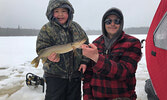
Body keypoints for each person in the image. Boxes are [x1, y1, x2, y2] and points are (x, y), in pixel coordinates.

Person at [82, 7, 142, 100]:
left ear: (121, 23)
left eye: (116, 21)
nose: (112, 24)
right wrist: (87, 97)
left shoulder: (132, 43)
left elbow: (124, 72)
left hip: (121, 97)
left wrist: (97, 58)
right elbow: (88, 76)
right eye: (108, 21)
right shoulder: (96, 43)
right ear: (104, 24)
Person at [36, 0, 89, 100]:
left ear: (69, 12)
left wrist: (84, 62)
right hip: (54, 77)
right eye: (56, 11)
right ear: (51, 12)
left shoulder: (76, 27)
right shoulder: (46, 29)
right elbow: (41, 48)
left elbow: (86, 47)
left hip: (75, 77)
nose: (60, 14)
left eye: (64, 11)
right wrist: (49, 58)